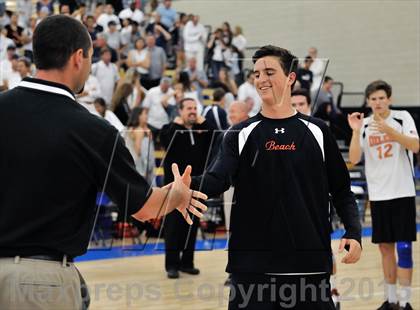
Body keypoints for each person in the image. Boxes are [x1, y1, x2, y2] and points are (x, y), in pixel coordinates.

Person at [0, 15, 207, 309]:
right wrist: (177, 194)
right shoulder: (91, 129)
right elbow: (146, 208)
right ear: (78, 57)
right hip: (40, 280)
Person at [190, 45, 362, 309]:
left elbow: (341, 189)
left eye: (269, 71)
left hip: (309, 266)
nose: (261, 79)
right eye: (256, 74)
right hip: (252, 269)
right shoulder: (240, 134)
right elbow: (216, 179)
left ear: (291, 78)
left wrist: (354, 231)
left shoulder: (318, 131)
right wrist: (185, 186)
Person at [348, 80, 419, 310]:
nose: (377, 102)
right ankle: (391, 300)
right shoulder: (365, 125)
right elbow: (355, 158)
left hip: (402, 192)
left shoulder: (402, 117)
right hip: (378, 196)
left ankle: (406, 301)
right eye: (373, 99)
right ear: (368, 101)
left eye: (381, 98)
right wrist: (356, 131)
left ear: (389, 99)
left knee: (404, 247)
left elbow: (415, 146)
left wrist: (389, 130)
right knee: (385, 249)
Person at [161, 97, 213, 279]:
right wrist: (176, 125)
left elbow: (215, 138)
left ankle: (187, 263)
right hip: (173, 188)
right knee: (173, 228)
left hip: (195, 187)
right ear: (180, 111)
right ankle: (172, 265)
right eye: (188, 108)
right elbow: (167, 142)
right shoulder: (169, 129)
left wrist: (204, 122)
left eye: (195, 108)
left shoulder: (201, 131)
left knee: (191, 226)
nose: (192, 111)